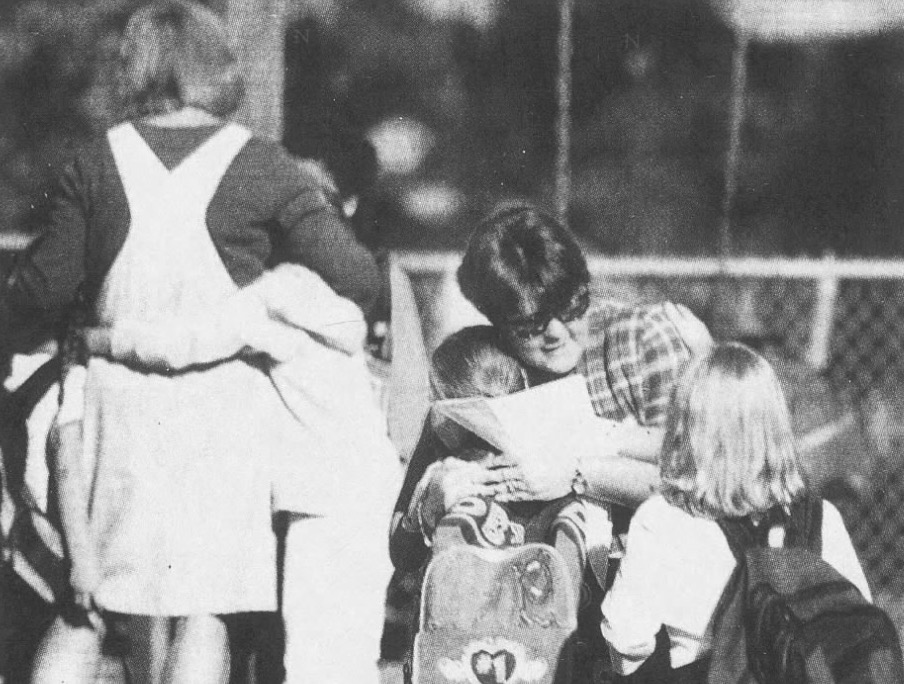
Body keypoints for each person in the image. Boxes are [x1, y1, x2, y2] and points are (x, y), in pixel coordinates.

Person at [0, 2, 381, 682]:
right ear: (219, 69)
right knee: (205, 615)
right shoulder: (261, 165)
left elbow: (39, 289)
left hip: (114, 409)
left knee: (85, 607)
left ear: (137, 68)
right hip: (223, 415)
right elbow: (356, 277)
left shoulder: (96, 163)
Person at [78, 262, 400, 684]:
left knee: (313, 656)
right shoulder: (324, 304)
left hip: (325, 495)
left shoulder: (273, 295)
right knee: (351, 648)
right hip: (369, 484)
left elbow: (186, 342)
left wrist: (105, 339)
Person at [600, 342, 871, 681]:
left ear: (687, 427)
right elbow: (859, 624)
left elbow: (626, 641)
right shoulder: (821, 517)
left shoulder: (661, 519)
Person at [404, 325, 612, 608]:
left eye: (436, 401)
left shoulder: (451, 464)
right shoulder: (554, 440)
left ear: (455, 411)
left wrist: (426, 509)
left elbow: (407, 555)